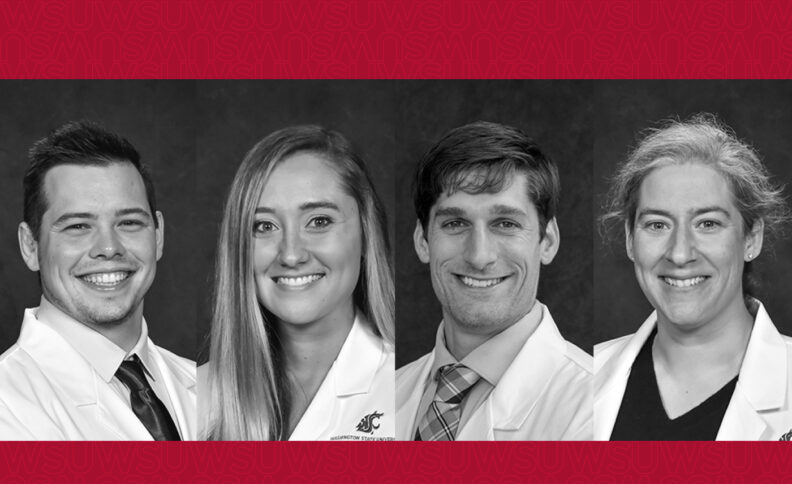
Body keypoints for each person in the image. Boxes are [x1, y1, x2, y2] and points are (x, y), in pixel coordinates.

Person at [595, 114, 792, 440]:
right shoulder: (582, 378)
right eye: (657, 225)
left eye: (708, 224)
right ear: (631, 239)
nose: (680, 253)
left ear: (751, 238)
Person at [0, 121, 197, 440]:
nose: (108, 248)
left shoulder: (208, 391)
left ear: (158, 236)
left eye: (130, 222)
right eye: (78, 226)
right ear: (30, 246)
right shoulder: (8, 408)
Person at [396, 121, 592, 441]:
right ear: (422, 240)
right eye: (456, 223)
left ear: (547, 241)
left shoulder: (592, 410)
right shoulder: (384, 395)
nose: (479, 256)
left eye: (505, 223)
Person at [201, 125, 395, 441]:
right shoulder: (194, 397)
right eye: (264, 226)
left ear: (366, 232)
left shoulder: (405, 392)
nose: (291, 255)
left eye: (319, 221)